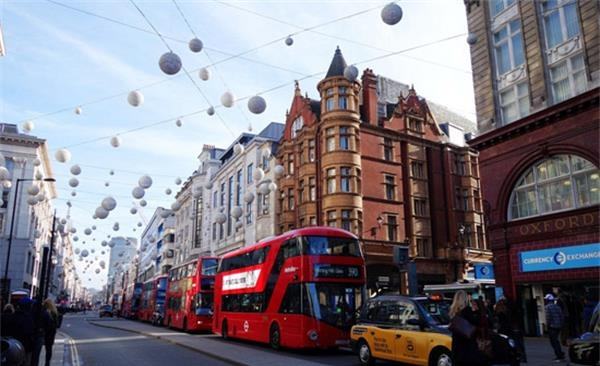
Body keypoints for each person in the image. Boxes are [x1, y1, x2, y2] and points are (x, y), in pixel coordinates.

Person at [449, 291, 486, 366]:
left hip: (457, 347)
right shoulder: (467, 310)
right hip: (468, 347)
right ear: (466, 299)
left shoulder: (453, 312)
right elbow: (477, 323)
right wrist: (478, 311)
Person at [8, 298, 35, 366]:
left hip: (13, 346)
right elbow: (29, 333)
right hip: (25, 346)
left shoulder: (13, 316)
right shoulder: (29, 318)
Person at [545, 293, 565, 361]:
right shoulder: (557, 306)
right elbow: (562, 316)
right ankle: (560, 353)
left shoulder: (547, 307)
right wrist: (561, 324)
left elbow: (548, 318)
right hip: (558, 326)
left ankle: (559, 354)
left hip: (552, 326)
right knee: (556, 340)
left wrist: (547, 326)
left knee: (553, 341)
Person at [42, 299, 59, 366]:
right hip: (51, 333)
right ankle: (47, 363)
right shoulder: (54, 312)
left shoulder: (44, 312)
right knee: (49, 349)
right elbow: (56, 324)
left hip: (45, 332)